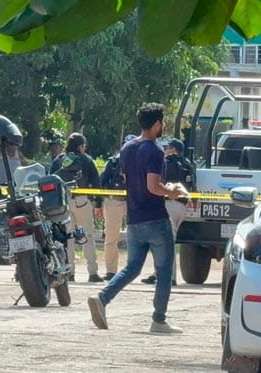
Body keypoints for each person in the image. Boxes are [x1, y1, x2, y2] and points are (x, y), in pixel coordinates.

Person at [88, 102, 187, 334]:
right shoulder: (154, 150)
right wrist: (173, 192)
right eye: (161, 122)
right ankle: (159, 320)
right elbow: (153, 186)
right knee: (164, 270)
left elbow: (131, 179)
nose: (163, 126)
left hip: (133, 218)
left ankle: (102, 298)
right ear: (155, 125)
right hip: (155, 218)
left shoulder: (127, 149)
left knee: (132, 267)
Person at [50, 133, 103, 282]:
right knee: (88, 235)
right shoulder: (86, 160)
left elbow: (50, 179)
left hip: (62, 202)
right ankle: (92, 272)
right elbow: (96, 183)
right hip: (82, 201)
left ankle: (69, 272)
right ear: (81, 146)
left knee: (68, 238)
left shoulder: (59, 160)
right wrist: (98, 203)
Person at [141, 138, 192, 285]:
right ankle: (157, 273)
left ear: (174, 149)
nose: (166, 150)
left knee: (167, 242)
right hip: (182, 206)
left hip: (168, 204)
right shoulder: (188, 164)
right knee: (167, 240)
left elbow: (157, 183)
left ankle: (171, 277)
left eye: (168, 147)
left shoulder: (165, 162)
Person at [100, 134, 137, 281]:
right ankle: (111, 271)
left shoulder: (141, 161)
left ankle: (132, 270)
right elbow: (102, 181)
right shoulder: (113, 162)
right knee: (111, 237)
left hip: (133, 201)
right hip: (114, 201)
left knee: (136, 238)